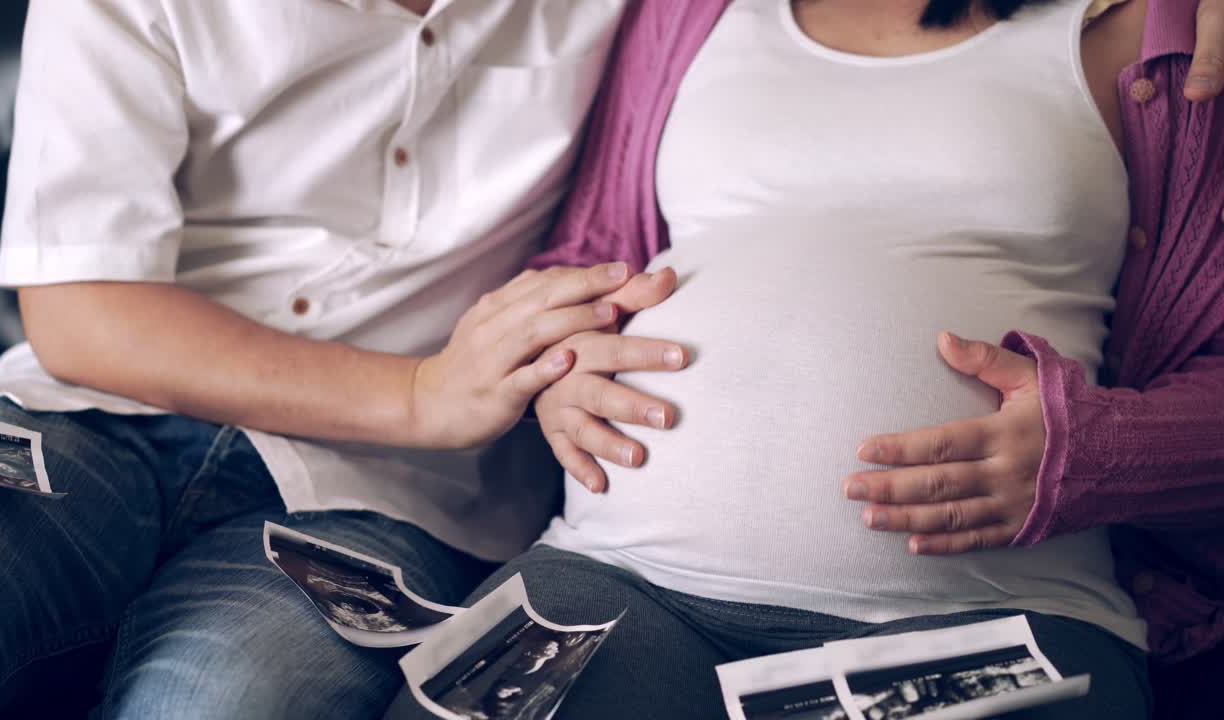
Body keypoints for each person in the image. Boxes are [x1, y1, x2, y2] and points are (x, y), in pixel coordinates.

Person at [384, 0, 1224, 718]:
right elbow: (586, 256)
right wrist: (561, 363)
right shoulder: (685, 14)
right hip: (616, 577)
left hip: (993, 618)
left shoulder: (1163, 35)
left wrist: (1100, 452)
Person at [0, 1, 692, 717]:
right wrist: (418, 395)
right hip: (87, 416)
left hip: (388, 493)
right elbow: (81, 314)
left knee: (222, 704)